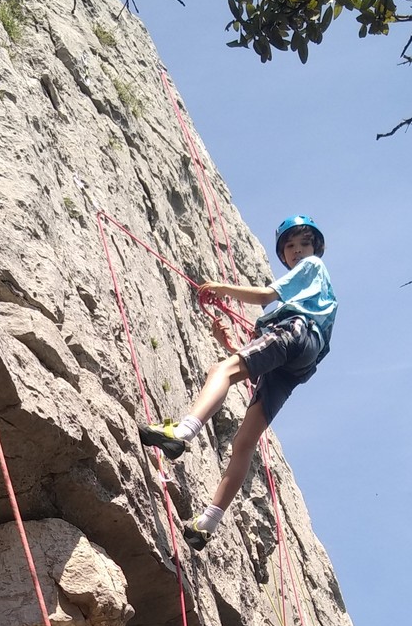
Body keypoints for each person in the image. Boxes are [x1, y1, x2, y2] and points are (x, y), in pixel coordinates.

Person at [138, 216, 336, 550]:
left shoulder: (312, 266)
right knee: (244, 442)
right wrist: (230, 343)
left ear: (315, 248)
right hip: (297, 363)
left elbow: (265, 296)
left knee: (221, 371)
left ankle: (183, 432)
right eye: (290, 247)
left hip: (296, 330)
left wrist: (221, 288)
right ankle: (206, 524)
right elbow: (261, 359)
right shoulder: (314, 293)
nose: (297, 251)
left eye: (303, 244)